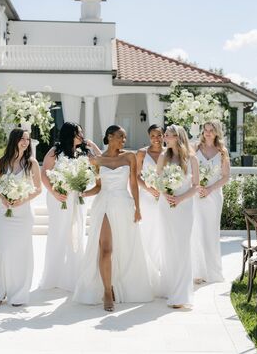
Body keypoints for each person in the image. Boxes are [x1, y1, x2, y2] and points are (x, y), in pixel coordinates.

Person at [73, 125, 153, 311]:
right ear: (110, 137)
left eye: (124, 138)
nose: (123, 141)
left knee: (124, 248)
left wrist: (137, 207)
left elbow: (133, 183)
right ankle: (107, 291)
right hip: (104, 205)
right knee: (106, 249)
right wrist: (82, 193)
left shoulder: (129, 157)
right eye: (120, 137)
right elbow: (98, 187)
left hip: (124, 205)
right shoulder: (97, 161)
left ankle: (121, 284)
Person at [40, 122, 101, 292]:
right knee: (58, 233)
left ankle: (74, 275)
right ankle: (54, 276)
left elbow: (102, 160)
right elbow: (44, 172)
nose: (81, 135)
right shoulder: (55, 151)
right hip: (59, 196)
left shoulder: (83, 152)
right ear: (70, 134)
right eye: (78, 133)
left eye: (81, 132)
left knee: (77, 233)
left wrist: (93, 145)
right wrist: (54, 192)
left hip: (77, 197)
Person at [0, 128, 42, 306]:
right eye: (22, 139)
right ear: (14, 140)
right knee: (4, 249)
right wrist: (3, 197)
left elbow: (38, 189)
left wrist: (22, 200)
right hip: (3, 212)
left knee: (21, 251)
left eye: (28, 139)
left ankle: (18, 293)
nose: (26, 142)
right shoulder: (1, 162)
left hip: (23, 212)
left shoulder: (32, 163)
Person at [157, 124, 199, 308]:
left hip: (184, 205)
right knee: (168, 244)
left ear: (178, 137)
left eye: (168, 135)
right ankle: (170, 287)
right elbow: (157, 180)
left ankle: (181, 294)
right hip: (165, 204)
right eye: (165, 134)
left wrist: (180, 198)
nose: (164, 137)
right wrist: (165, 194)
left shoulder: (191, 158)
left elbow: (196, 186)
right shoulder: (163, 156)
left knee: (182, 247)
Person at [191, 121, 230, 283]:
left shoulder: (222, 151)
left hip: (213, 196)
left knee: (211, 231)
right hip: (197, 195)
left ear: (216, 132)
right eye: (205, 130)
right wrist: (197, 186)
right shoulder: (195, 148)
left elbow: (226, 176)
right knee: (196, 231)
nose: (207, 133)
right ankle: (197, 272)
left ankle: (212, 271)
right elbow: (188, 169)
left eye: (211, 130)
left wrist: (209, 189)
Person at [136, 124, 164, 288]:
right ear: (149, 137)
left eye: (159, 135)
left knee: (162, 229)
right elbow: (136, 176)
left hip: (163, 197)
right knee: (147, 228)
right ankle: (148, 265)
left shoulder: (168, 152)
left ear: (163, 136)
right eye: (153, 135)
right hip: (147, 197)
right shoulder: (141, 153)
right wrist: (149, 188)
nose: (156, 138)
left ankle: (161, 264)